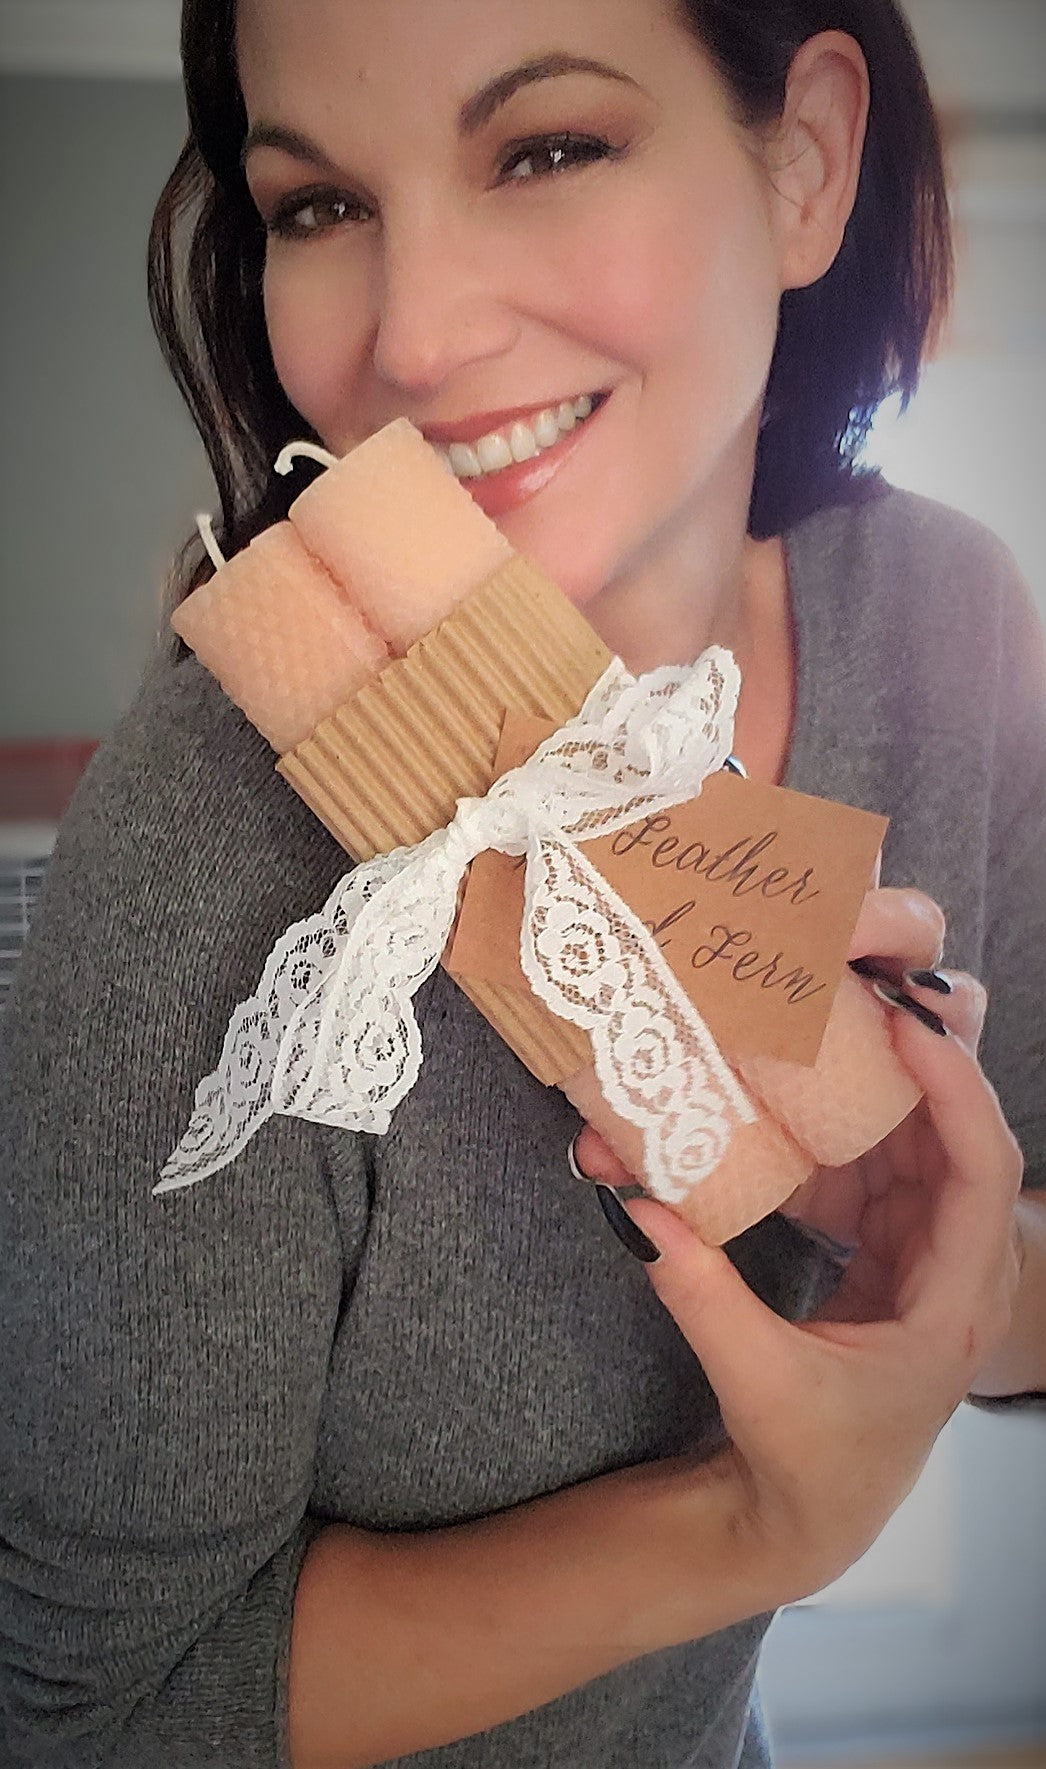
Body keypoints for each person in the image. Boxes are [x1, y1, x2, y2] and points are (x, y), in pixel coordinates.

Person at [2, 0, 1044, 1765]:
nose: (411, 338)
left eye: (546, 149)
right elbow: (84, 1713)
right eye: (320, 204)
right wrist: (746, 1526)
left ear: (804, 160)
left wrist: (945, 1274)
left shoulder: (950, 625)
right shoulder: (205, 842)